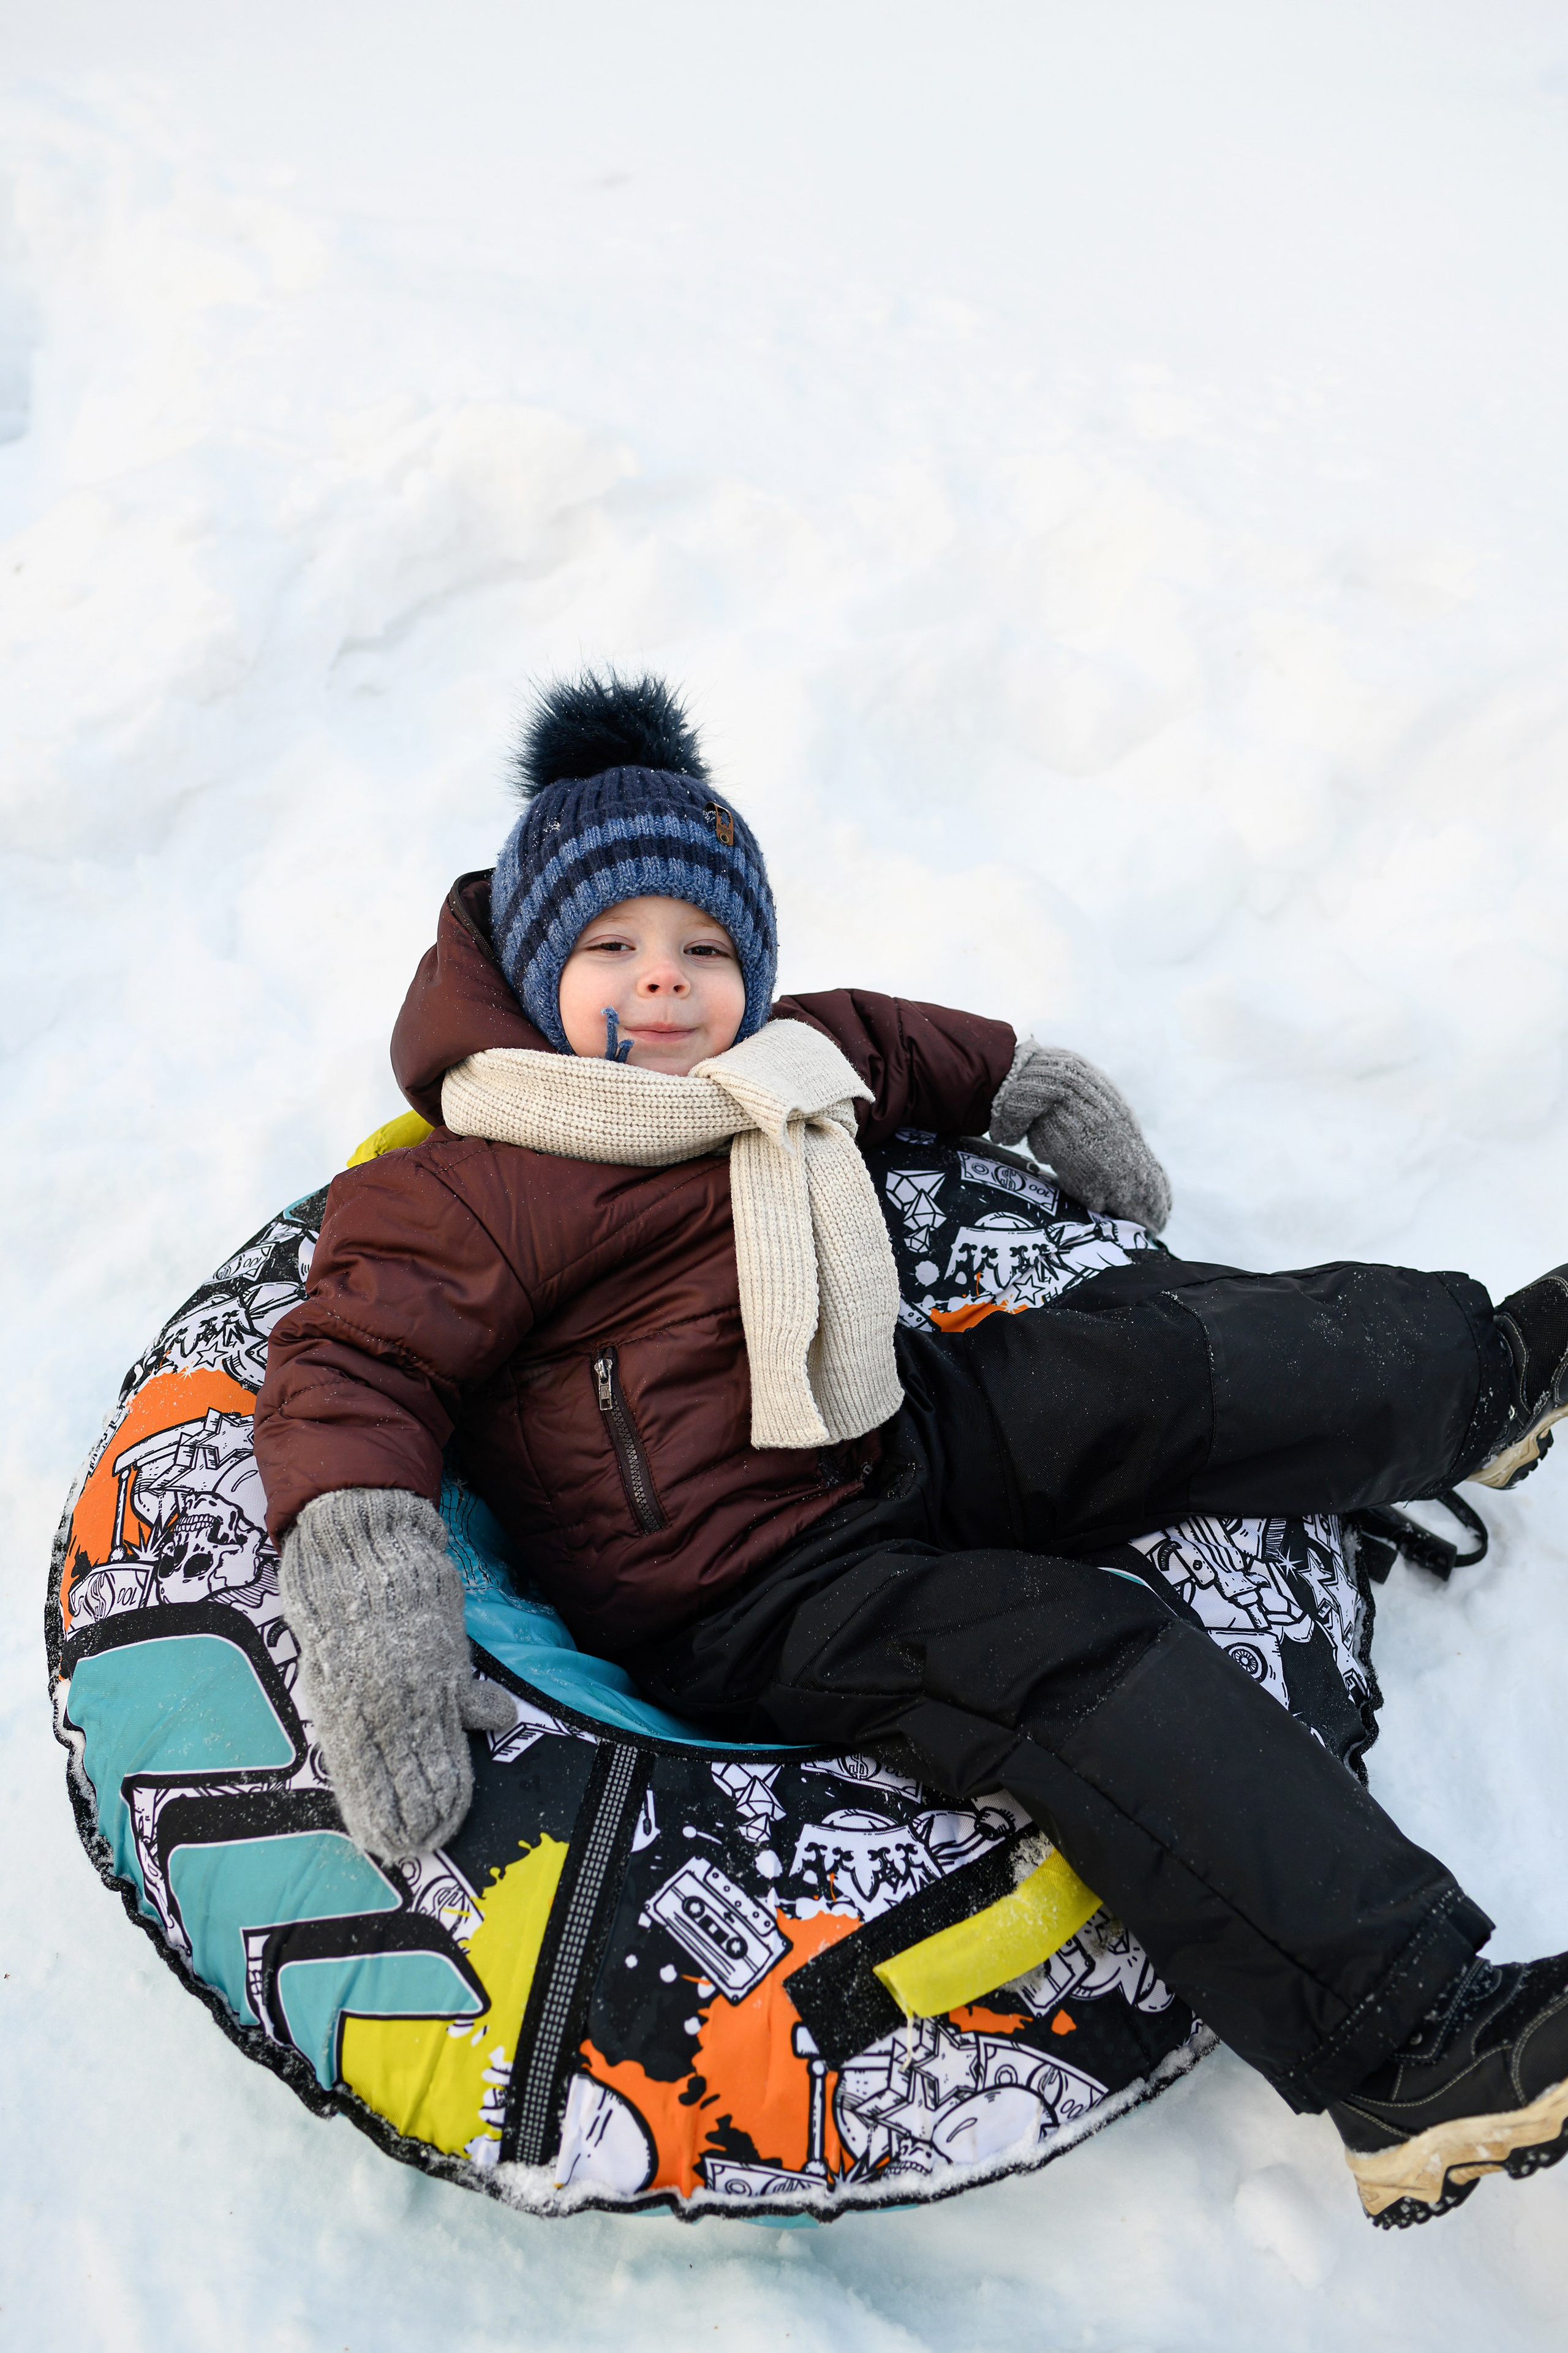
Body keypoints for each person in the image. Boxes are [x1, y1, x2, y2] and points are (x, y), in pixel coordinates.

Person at [254, 671, 1568, 2229]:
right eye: (611, 948)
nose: (662, 985)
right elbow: (352, 1365)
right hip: (742, 1588)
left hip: (881, 1427)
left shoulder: (780, 1064)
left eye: (705, 949)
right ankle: (1402, 2044)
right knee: (1074, 1656)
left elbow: (900, 1044)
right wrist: (369, 1586)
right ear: (539, 971)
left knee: (1143, 1369)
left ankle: (1479, 1377)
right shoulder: (479, 1177)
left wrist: (1036, 1090)